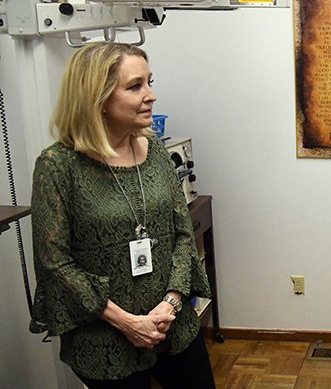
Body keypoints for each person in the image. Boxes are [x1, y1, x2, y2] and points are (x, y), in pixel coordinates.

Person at [29, 42, 215, 389]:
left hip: (171, 324)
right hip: (104, 337)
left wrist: (171, 304)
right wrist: (127, 322)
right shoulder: (58, 166)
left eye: (150, 81)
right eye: (135, 86)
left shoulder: (155, 149)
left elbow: (181, 233)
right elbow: (54, 262)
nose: (152, 95)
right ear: (96, 98)